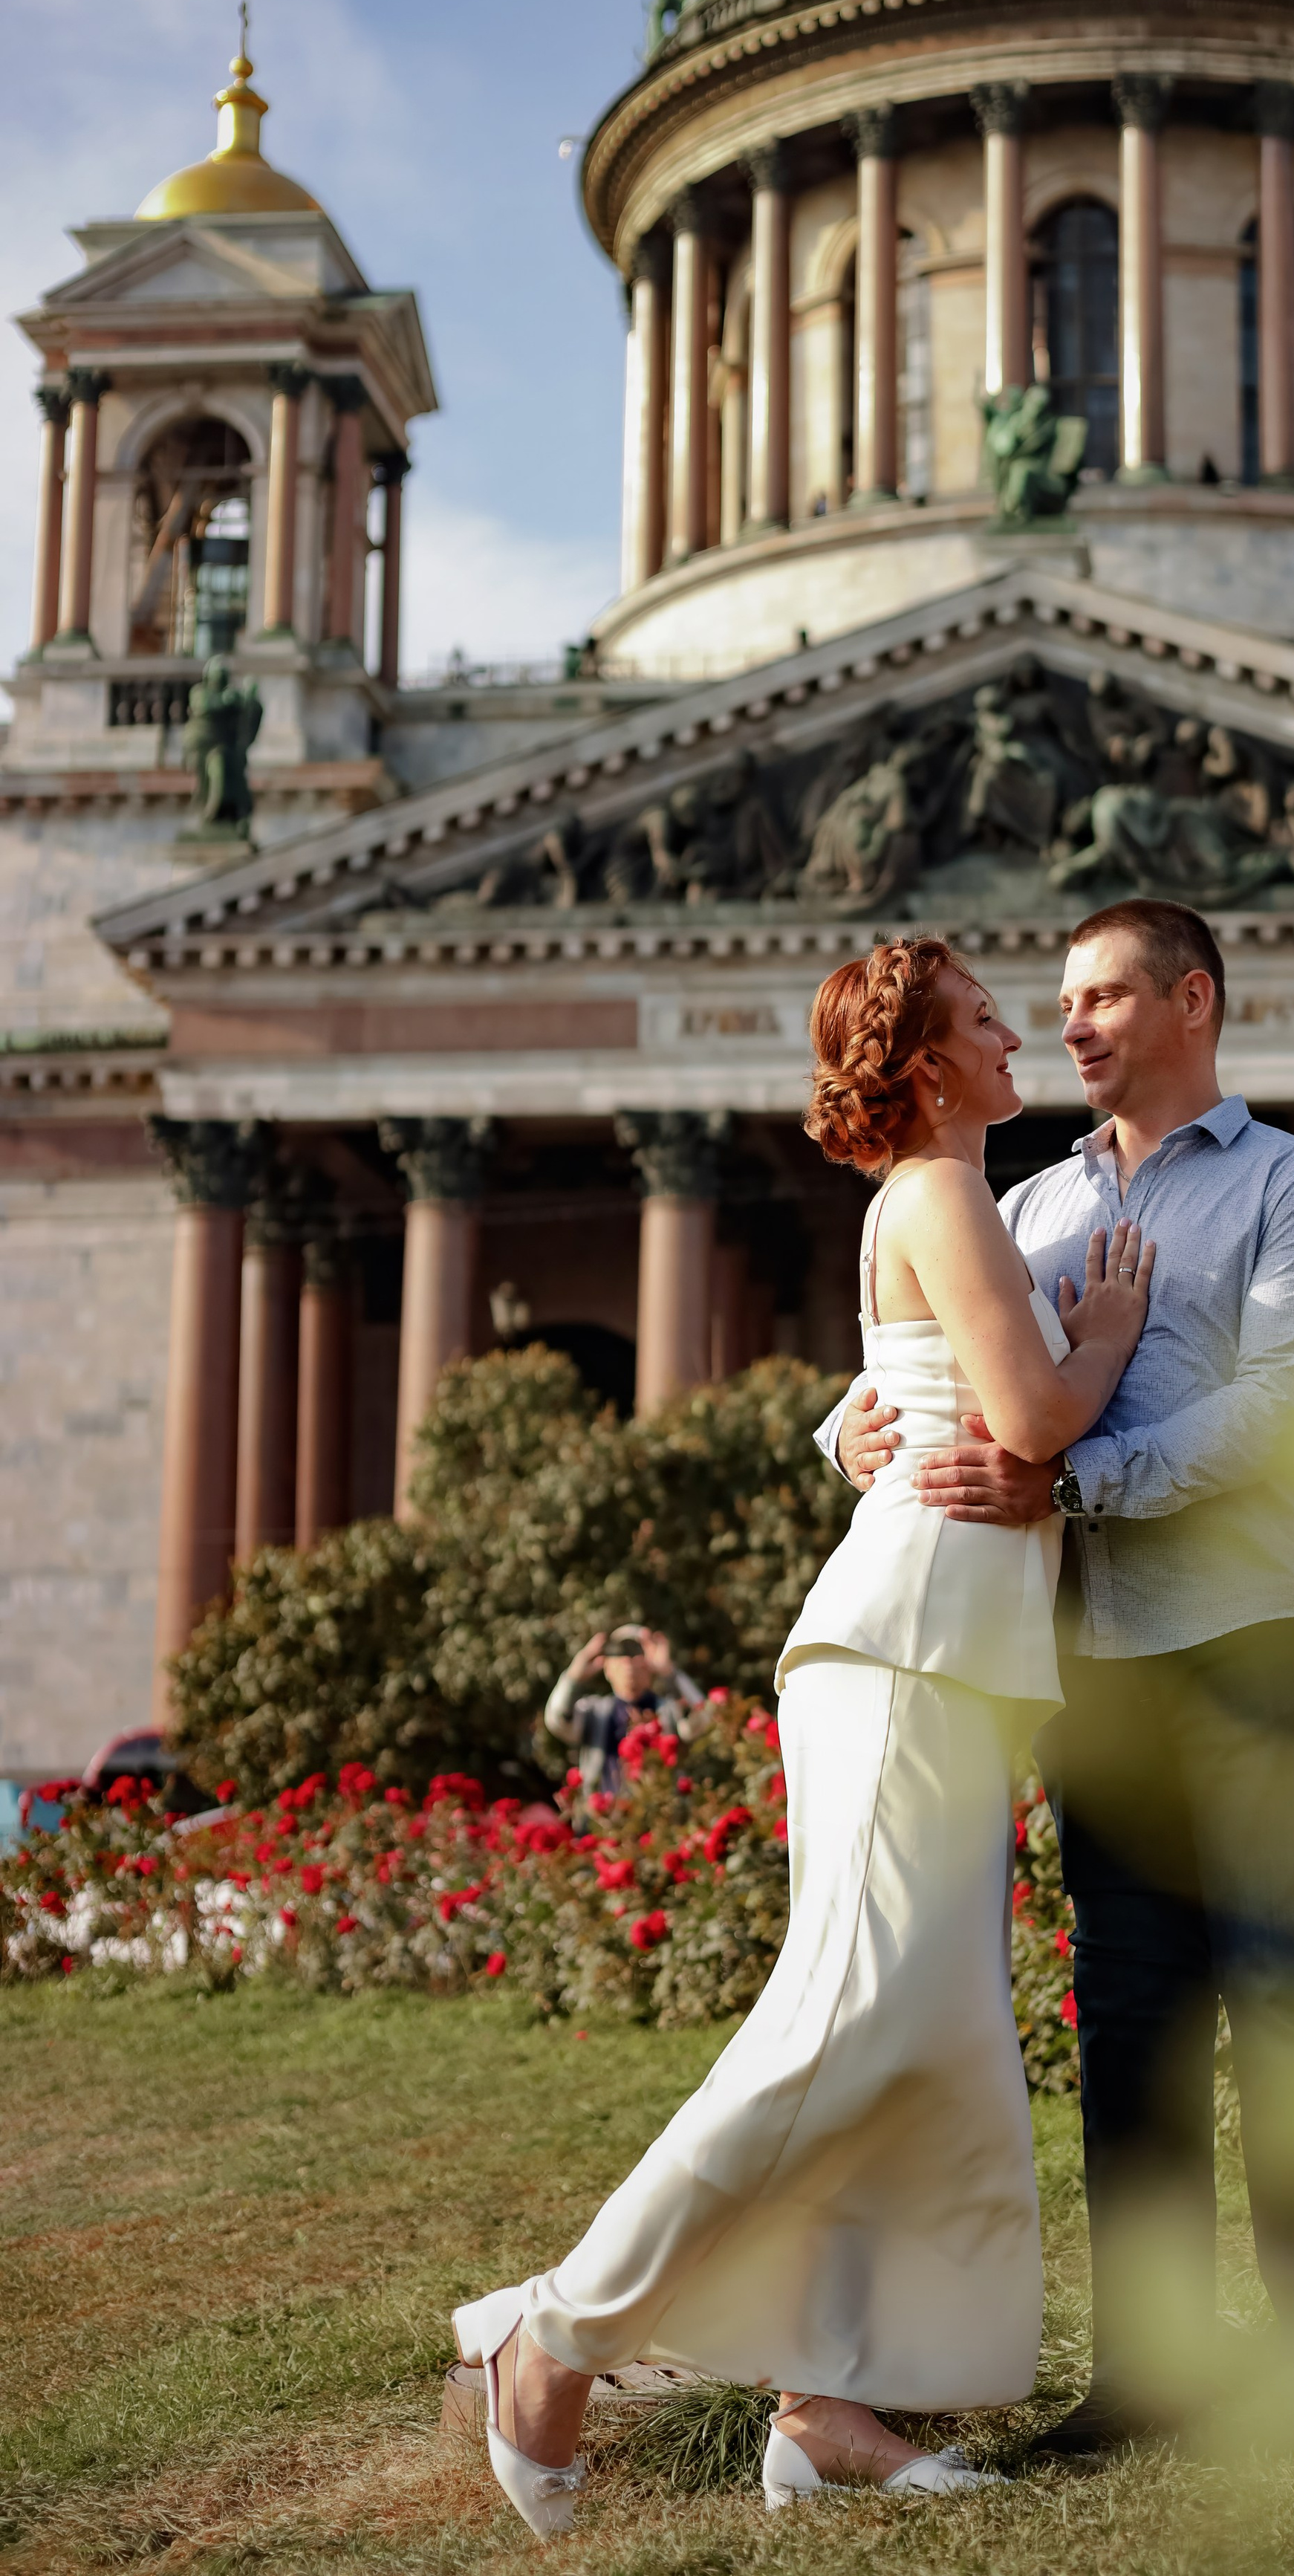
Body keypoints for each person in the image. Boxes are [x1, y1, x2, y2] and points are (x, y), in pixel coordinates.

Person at [452, 936, 1156, 2535]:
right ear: (925, 1063)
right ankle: (550, 2340)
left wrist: (864, 1425)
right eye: (986, 1019)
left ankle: (827, 2407)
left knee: (927, 2039)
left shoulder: (938, 1196)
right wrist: (1106, 1333)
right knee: (840, 2022)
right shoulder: (942, 1190)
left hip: (944, 1658)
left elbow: (908, 1396)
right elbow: (1033, 1421)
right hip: (906, 1655)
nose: (1016, 1036)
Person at [831, 897, 1294, 2466]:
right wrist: (845, 1433)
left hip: (1247, 1642)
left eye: (1101, 997)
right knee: (1130, 2017)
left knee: (1287, 2004)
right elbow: (927, 1355)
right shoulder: (1022, 1205)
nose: (1066, 1023)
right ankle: (1147, 2372)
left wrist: (1079, 1482)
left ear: (1190, 1002)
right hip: (1090, 1666)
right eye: (1058, 1002)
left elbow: (1276, 1412)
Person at [543, 1626, 706, 1798]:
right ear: (607, 1668)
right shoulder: (593, 1712)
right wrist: (573, 1677)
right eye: (620, 1654)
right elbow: (557, 1721)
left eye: (637, 1653)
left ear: (650, 1665)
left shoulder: (669, 1711)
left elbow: (703, 1719)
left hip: (663, 1811)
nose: (629, 1662)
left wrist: (668, 1671)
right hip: (607, 1812)